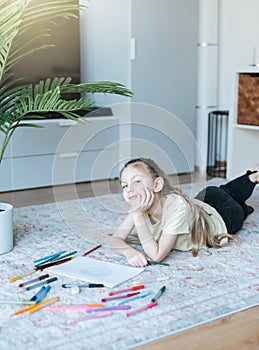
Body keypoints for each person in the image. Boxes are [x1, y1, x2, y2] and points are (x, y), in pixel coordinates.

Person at [110, 158, 259, 267]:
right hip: (203, 202)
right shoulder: (139, 206)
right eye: (124, 186)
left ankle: (251, 179)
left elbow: (156, 255)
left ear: (157, 185)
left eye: (137, 181)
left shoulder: (175, 207)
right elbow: (116, 239)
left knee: (237, 204)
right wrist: (129, 252)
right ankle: (249, 180)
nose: (129, 189)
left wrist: (137, 216)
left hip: (224, 216)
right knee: (224, 191)